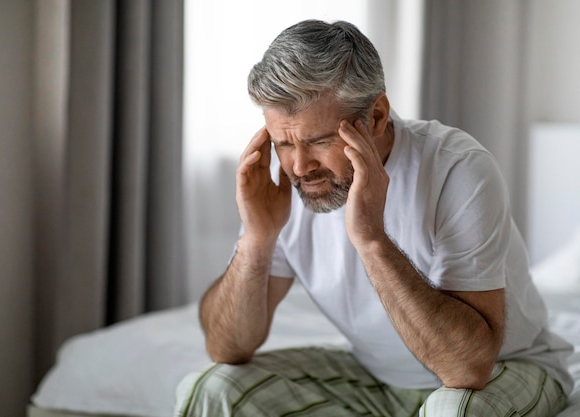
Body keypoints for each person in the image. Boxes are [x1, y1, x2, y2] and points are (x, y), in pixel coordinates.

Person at [174, 19, 572, 417]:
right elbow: (226, 347)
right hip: (374, 379)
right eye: (282, 143)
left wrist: (371, 240)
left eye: (319, 140)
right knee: (212, 387)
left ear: (377, 116)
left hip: (504, 368)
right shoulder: (284, 187)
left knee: (452, 411)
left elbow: (466, 367)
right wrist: (257, 240)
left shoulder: (457, 169)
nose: (299, 166)